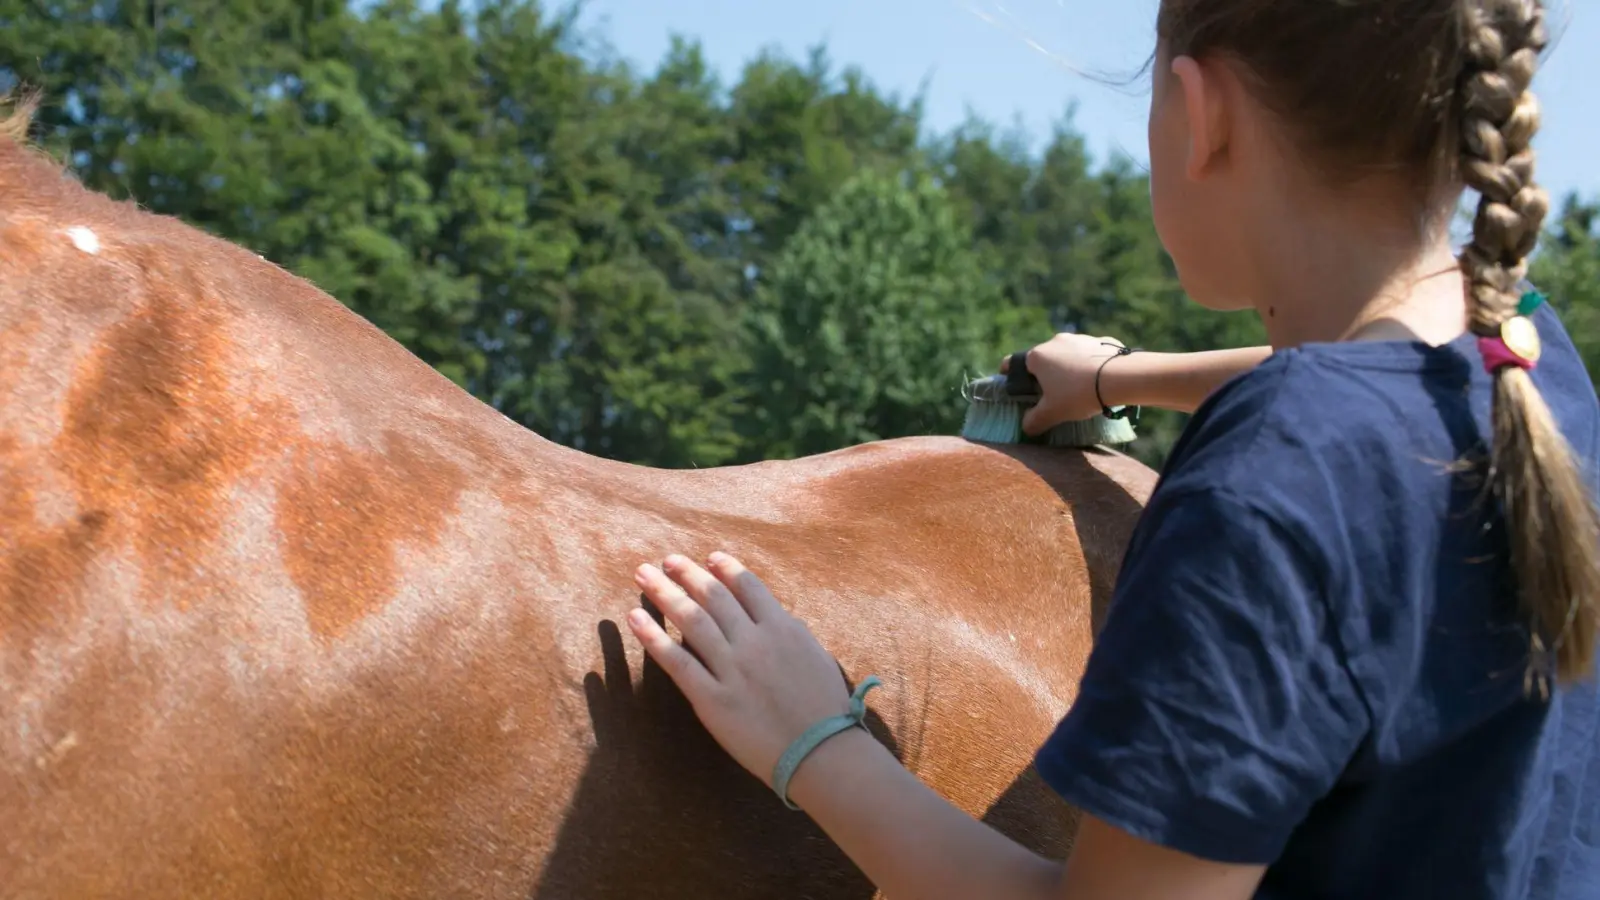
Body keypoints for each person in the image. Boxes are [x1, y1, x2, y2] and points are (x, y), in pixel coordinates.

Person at [623, 1, 1600, 897]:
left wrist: (817, 742)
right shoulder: (1528, 360)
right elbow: (1380, 400)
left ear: (1199, 109)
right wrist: (1118, 378)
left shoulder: (1274, 480)